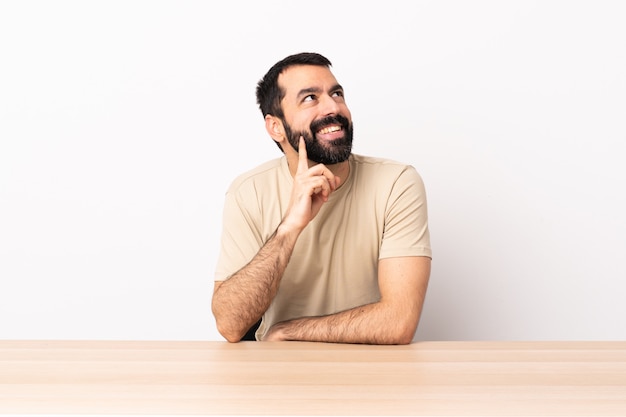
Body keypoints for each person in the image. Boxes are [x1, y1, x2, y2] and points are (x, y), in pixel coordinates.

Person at [212, 52, 432, 344]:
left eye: (337, 94)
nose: (333, 107)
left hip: (371, 370)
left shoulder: (396, 183)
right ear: (275, 126)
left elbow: (399, 321)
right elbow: (230, 325)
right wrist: (289, 228)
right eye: (310, 98)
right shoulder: (248, 192)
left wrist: (287, 331)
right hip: (277, 373)